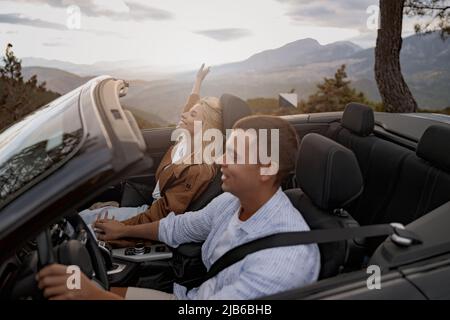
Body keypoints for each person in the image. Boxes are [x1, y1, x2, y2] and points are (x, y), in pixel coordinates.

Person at [37, 115, 320, 300]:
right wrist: (123, 228)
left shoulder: (283, 261)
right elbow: (179, 226)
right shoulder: (233, 203)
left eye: (233, 154)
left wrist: (93, 295)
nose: (220, 159)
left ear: (267, 169)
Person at [79, 64, 222, 246]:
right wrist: (198, 81)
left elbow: (163, 218)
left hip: (148, 218)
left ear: (205, 127)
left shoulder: (197, 169)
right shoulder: (185, 139)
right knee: (83, 217)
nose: (184, 115)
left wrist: (121, 226)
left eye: (192, 115)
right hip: (149, 209)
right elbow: (190, 107)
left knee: (84, 227)